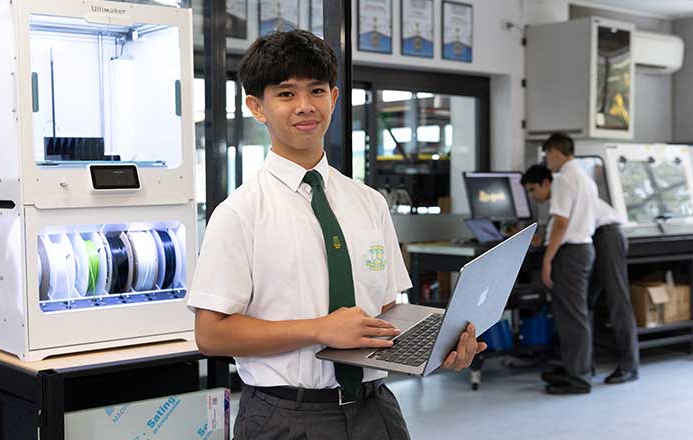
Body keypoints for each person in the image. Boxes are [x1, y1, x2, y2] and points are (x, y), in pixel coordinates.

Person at [188, 30, 486, 440]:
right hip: (284, 416)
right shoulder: (239, 213)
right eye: (286, 94)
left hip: (375, 409)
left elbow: (385, 312)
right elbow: (211, 334)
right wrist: (318, 329)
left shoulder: (368, 202)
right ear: (257, 107)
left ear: (334, 97)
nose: (305, 106)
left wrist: (439, 347)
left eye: (316, 90)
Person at [522, 164, 640, 385]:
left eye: (532, 190)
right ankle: (583, 366)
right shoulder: (562, 187)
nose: (533, 197)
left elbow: (562, 224)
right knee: (584, 304)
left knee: (617, 300)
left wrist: (547, 255)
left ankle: (629, 366)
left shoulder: (562, 184)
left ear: (545, 183)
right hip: (592, 238)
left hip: (606, 234)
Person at [521, 133, 599, 395]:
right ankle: (576, 369)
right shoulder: (585, 177)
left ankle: (578, 378)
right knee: (576, 315)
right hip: (584, 248)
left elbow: (562, 222)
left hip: (571, 253)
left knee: (572, 318)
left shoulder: (564, 178)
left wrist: (547, 258)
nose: (547, 161)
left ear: (555, 152)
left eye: (547, 155)